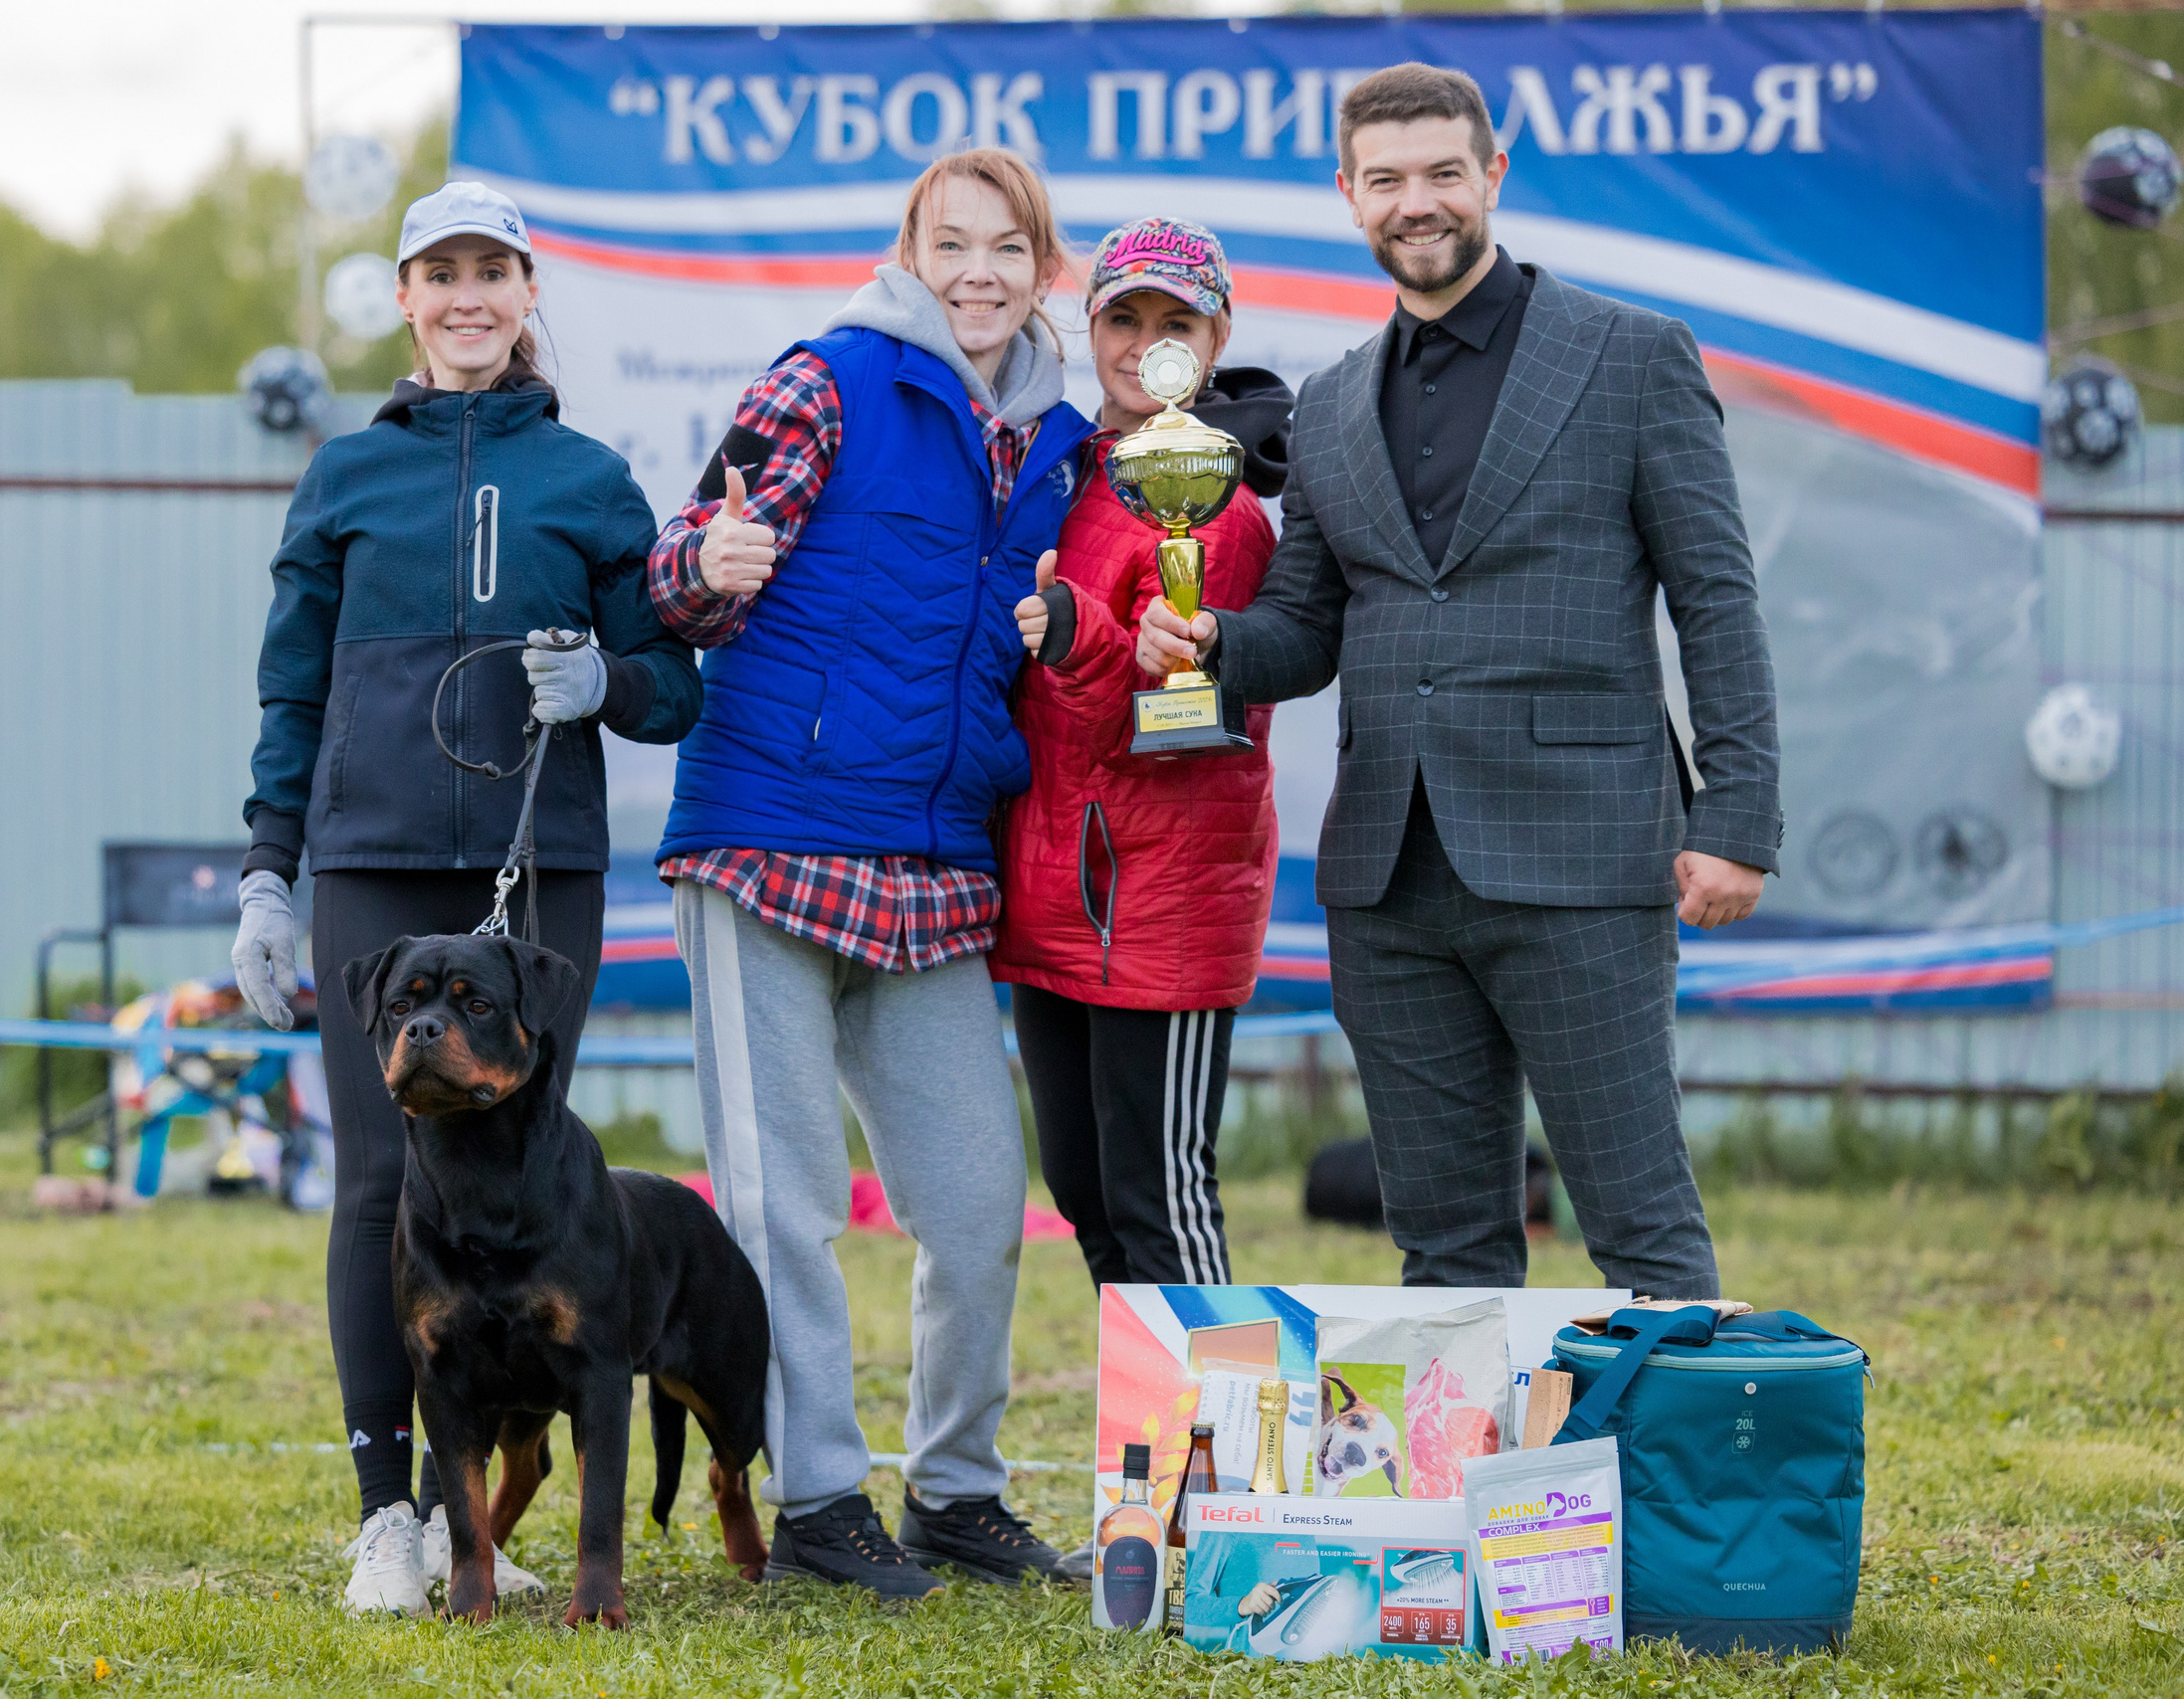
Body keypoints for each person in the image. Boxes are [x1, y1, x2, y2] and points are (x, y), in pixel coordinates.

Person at [1141, 65, 1781, 1299]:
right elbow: (1303, 632)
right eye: (1385, 180)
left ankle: (1678, 1497)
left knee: (1640, 1228)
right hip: (1389, 882)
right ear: (1348, 195)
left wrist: (1736, 817)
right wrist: (1210, 642)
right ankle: (1475, 1498)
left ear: (1492, 175)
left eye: (1442, 172)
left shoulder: (1631, 357)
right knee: (1442, 1251)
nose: (1415, 202)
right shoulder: (1328, 407)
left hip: (1584, 862)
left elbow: (1716, 599)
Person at [230, 181, 702, 1616]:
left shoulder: (593, 481)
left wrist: (605, 681)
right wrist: (267, 870)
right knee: (381, 1182)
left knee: (536, 1184)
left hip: (535, 871)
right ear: (404, 298)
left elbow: (674, 689)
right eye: (441, 274)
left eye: (492, 271)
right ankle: (395, 1519)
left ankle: (476, 1519)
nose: (468, 298)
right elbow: (291, 689)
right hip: (372, 865)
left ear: (526, 291)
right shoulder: (344, 479)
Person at [647, 148, 1094, 1598]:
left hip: (935, 865)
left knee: (973, 1205)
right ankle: (822, 1503)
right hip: (766, 837)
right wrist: (709, 561)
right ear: (912, 252)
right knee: (785, 1206)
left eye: (1006, 248)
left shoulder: (1064, 439)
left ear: (1043, 269)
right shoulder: (827, 379)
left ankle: (956, 1491)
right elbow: (681, 565)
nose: (978, 273)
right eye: (951, 244)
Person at [998, 218, 1291, 1293]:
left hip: (1157, 896)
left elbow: (1188, 718)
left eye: (1175, 320)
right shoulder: (1066, 470)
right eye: (1124, 316)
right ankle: (1155, 1452)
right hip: (1052, 892)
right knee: (1086, 1197)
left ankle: (1223, 1451)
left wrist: (1082, 637)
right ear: (1088, 324)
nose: (1143, 342)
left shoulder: (1222, 505)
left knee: (1161, 1203)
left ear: (1215, 337)